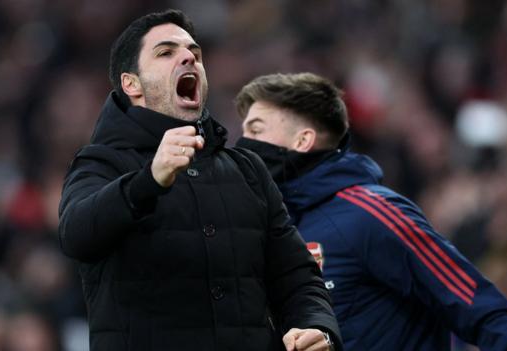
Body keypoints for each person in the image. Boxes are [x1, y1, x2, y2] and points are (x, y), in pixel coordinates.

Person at [58, 10, 341, 351]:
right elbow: (76, 235)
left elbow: (297, 276)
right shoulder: (101, 162)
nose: (189, 57)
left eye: (195, 52)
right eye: (166, 52)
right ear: (131, 83)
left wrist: (315, 327)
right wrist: (148, 181)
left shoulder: (246, 170)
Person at [234, 72, 507, 351]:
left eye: (255, 130)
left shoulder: (370, 214)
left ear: (302, 140)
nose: (243, 145)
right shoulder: (270, 232)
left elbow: (485, 311)